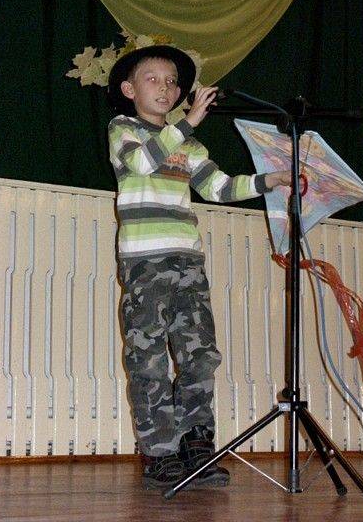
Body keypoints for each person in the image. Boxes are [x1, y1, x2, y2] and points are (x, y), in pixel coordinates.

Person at [107, 45, 290, 489]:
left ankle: (197, 447)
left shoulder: (188, 144)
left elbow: (220, 188)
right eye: (153, 79)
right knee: (148, 358)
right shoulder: (123, 129)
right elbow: (142, 162)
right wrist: (186, 123)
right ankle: (159, 453)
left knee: (199, 355)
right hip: (145, 263)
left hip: (188, 262)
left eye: (172, 81)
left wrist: (271, 180)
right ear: (129, 89)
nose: (165, 87)